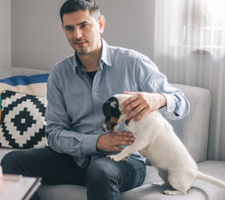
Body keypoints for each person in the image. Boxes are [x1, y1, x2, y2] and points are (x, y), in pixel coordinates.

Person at [1, 0, 190, 200]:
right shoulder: (59, 73)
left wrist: (158, 98)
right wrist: (97, 142)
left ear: (100, 24)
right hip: (74, 160)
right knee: (12, 161)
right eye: (70, 28)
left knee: (100, 170)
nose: (77, 35)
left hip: (124, 163)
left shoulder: (134, 63)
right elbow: (55, 134)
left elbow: (182, 103)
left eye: (84, 25)